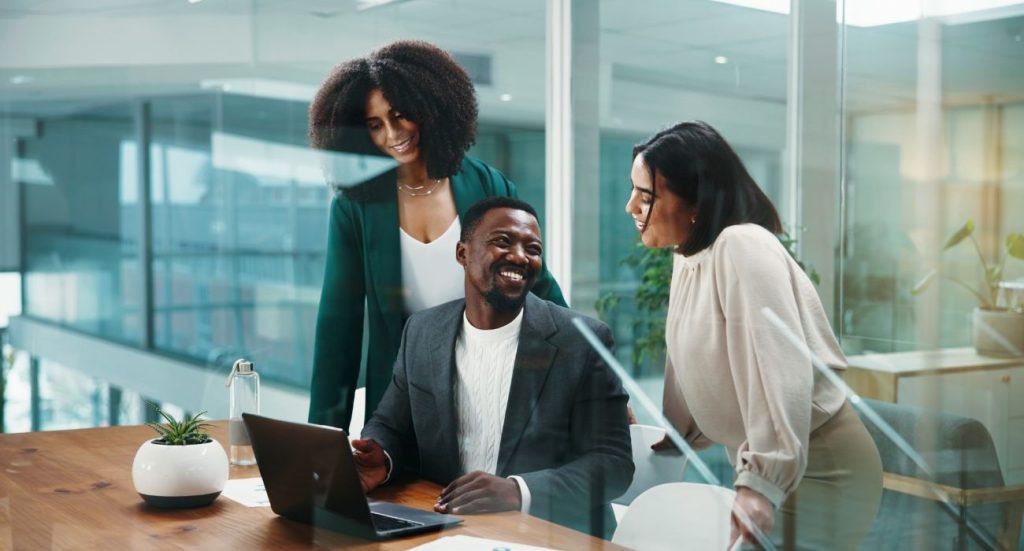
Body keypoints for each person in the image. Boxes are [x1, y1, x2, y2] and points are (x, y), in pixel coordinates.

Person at [625, 121, 882, 549]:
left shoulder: (741, 245)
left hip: (820, 467)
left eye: (646, 195)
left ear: (696, 201)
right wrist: (674, 436)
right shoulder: (689, 257)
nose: (631, 206)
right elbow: (695, 361)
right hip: (774, 466)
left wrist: (762, 481)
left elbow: (778, 368)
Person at [307, 41, 566, 430]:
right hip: (402, 405)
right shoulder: (355, 207)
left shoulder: (487, 184)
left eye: (400, 115)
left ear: (428, 107)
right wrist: (321, 443)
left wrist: (595, 377)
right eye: (375, 125)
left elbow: (540, 289)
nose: (393, 134)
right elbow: (338, 330)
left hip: (491, 386)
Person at [351, 197, 634, 538]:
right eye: (503, 241)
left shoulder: (583, 342)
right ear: (462, 253)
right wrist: (382, 459)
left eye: (533, 248)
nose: (520, 256)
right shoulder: (422, 332)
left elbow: (613, 464)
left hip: (550, 535)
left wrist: (518, 492)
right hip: (448, 529)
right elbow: (392, 425)